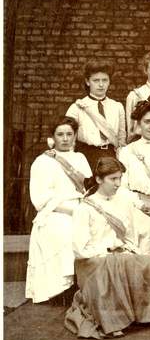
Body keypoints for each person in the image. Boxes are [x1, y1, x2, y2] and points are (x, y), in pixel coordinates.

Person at [65, 157, 150, 339]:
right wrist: (106, 253)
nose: (118, 184)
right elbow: (80, 249)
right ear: (99, 180)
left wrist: (127, 250)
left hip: (119, 254)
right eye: (113, 179)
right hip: (93, 260)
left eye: (120, 178)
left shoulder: (123, 202)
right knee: (113, 267)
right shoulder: (84, 208)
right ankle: (112, 321)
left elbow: (129, 237)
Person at [26, 117, 92, 304]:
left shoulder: (80, 158)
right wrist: (72, 211)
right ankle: (61, 289)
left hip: (81, 207)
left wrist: (82, 210)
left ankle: (84, 286)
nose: (65, 139)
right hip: (55, 211)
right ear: (52, 138)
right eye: (60, 134)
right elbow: (40, 198)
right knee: (63, 230)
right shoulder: (42, 161)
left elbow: (87, 188)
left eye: (69, 134)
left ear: (75, 137)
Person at [66, 59, 126, 169]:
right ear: (88, 82)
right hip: (86, 156)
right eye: (96, 80)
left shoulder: (117, 107)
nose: (101, 84)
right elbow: (69, 138)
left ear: (109, 81)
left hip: (110, 156)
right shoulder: (77, 107)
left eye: (105, 80)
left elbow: (122, 139)